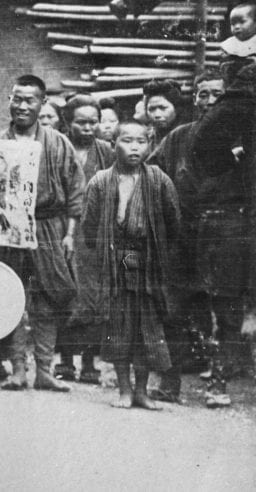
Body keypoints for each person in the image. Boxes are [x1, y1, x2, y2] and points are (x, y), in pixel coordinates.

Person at [82, 121, 180, 410]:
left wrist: (156, 251)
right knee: (119, 326)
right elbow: (89, 228)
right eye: (127, 140)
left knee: (147, 328)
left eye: (141, 141)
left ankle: (141, 391)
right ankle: (124, 389)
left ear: (149, 145)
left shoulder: (158, 180)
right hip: (116, 263)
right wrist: (110, 251)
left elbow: (173, 222)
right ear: (113, 145)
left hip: (148, 264)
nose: (134, 147)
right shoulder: (100, 182)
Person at [0, 74, 84, 393]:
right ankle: (18, 369)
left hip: (49, 226)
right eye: (16, 99)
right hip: (9, 228)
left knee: (47, 298)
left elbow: (75, 190)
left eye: (29, 100)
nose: (22, 106)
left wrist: (69, 234)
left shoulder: (58, 143)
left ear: (42, 103)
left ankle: (44, 370)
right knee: (13, 296)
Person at [145, 70, 225, 404]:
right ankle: (170, 381)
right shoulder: (179, 137)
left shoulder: (245, 136)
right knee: (174, 308)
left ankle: (219, 384)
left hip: (226, 235)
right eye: (203, 94)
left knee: (225, 310)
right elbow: (150, 176)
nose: (210, 101)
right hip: (181, 237)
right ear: (194, 99)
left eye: (217, 94)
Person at [190, 52, 256, 407]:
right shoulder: (243, 94)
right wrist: (234, 158)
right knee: (226, 300)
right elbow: (206, 145)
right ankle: (219, 380)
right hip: (237, 214)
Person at [55, 93, 115, 384]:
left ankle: (90, 362)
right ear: (68, 122)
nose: (88, 128)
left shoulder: (107, 151)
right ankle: (65, 360)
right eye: (81, 122)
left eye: (93, 122)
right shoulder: (58, 147)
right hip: (62, 228)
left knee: (95, 295)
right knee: (65, 292)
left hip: (96, 232)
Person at [142, 79, 183, 145]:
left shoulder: (188, 136)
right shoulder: (145, 139)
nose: (157, 115)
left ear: (176, 109)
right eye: (151, 109)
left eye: (163, 108)